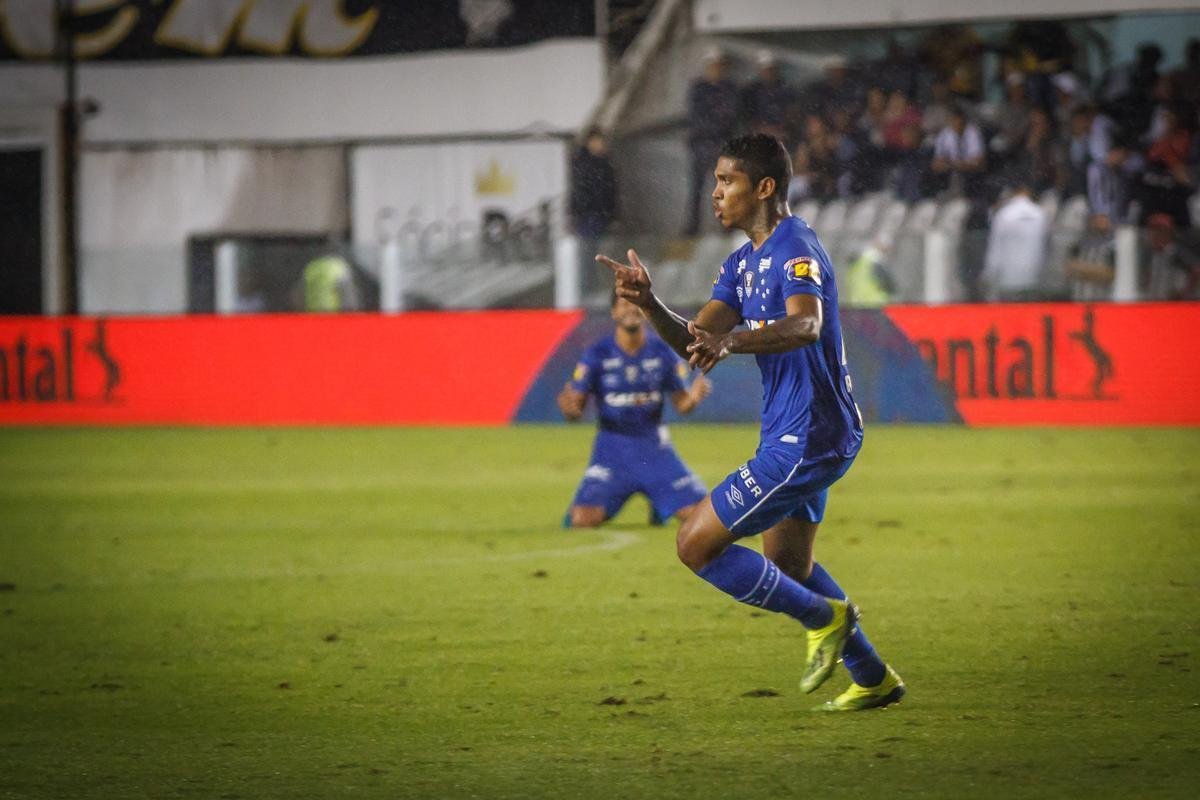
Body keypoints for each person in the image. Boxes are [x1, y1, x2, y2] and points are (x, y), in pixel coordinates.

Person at [596, 133, 904, 711]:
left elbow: (806, 325)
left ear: (764, 188)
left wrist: (731, 341)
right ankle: (873, 677)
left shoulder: (795, 247)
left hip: (809, 435)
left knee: (695, 544)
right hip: (795, 432)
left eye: (726, 181)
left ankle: (825, 619)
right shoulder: (741, 263)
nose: (715, 193)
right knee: (789, 563)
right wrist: (649, 303)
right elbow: (697, 341)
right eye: (714, 181)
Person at [557, 294, 712, 528]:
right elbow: (576, 408)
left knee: (700, 516)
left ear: (645, 311)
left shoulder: (662, 351)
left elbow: (682, 405)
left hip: (655, 449)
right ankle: (657, 503)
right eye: (624, 305)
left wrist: (695, 397)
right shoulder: (597, 353)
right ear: (613, 312)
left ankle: (660, 505)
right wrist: (569, 410)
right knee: (582, 520)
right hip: (612, 449)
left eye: (636, 305)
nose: (631, 310)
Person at [685, 48, 740, 236]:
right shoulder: (699, 88)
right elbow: (696, 116)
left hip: (721, 144)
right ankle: (693, 227)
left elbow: (729, 117)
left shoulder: (729, 88)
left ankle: (727, 224)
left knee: (724, 188)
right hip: (701, 143)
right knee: (697, 188)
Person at [570, 127, 619, 305]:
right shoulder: (584, 164)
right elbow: (581, 193)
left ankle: (600, 292)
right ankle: (588, 292)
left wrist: (612, 215)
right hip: (588, 216)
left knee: (602, 257)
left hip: (602, 217)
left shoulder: (605, 164)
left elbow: (611, 192)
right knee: (588, 256)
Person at [981, 185, 1049, 301]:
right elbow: (1046, 247)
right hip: (1033, 276)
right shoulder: (1040, 214)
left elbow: (996, 247)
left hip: (1008, 278)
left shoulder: (1004, 214)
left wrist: (989, 273)